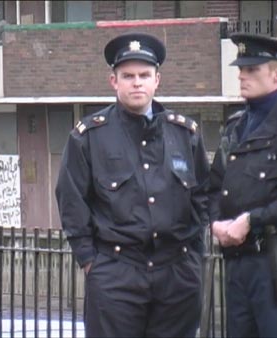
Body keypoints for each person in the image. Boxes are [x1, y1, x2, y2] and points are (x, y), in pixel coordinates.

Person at [55, 32, 210, 337]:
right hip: (115, 272)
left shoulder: (185, 134)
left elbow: (203, 197)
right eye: (128, 76)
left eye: (144, 75)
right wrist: (89, 261)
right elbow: (71, 199)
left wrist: (194, 256)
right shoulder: (88, 136)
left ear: (157, 80)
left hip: (177, 273)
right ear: (113, 81)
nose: (137, 82)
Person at [209, 33, 277, 337]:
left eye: (252, 70)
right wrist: (215, 223)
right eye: (241, 69)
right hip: (237, 259)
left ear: (275, 74)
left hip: (272, 260)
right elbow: (213, 185)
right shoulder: (236, 125)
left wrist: (252, 219)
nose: (242, 76)